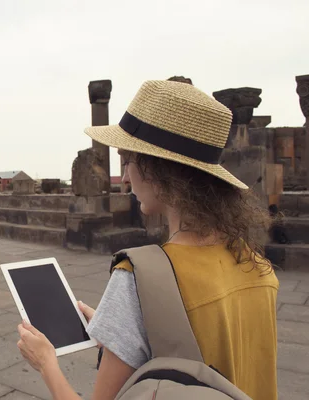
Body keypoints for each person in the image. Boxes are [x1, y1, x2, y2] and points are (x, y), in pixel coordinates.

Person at [16, 80, 279, 400]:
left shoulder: (137, 278)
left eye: (128, 160)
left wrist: (46, 363)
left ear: (157, 169)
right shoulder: (258, 266)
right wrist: (121, 329)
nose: (124, 177)